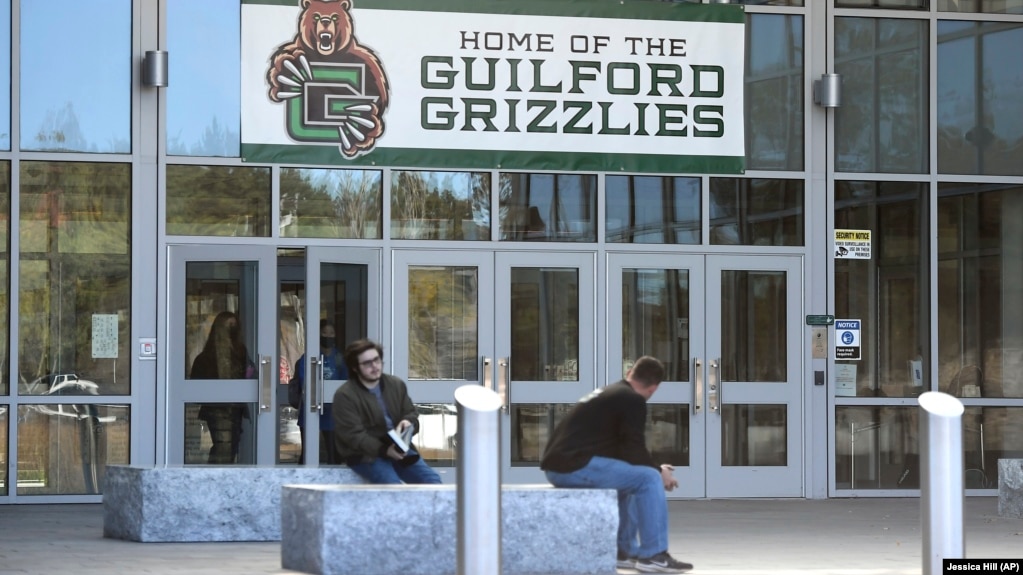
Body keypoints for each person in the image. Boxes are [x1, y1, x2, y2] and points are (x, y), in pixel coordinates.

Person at [540, 356, 693, 574]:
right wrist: (658, 471)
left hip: (561, 466)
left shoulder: (611, 392)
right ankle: (653, 555)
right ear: (653, 388)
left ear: (630, 372)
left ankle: (624, 552)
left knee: (632, 477)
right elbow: (634, 448)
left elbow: (626, 453)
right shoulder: (633, 400)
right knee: (647, 479)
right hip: (573, 467)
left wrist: (654, 467)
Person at [332, 339, 442, 484]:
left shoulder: (395, 385)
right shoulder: (345, 395)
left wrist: (407, 422)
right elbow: (353, 436)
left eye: (377, 360)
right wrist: (385, 450)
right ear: (354, 368)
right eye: (367, 363)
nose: (375, 366)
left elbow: (411, 413)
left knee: (433, 482)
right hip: (365, 455)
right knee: (393, 486)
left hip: (399, 448)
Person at [189, 311, 252, 464]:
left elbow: (249, 373)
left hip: (235, 407)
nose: (231, 329)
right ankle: (216, 478)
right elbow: (195, 386)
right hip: (217, 408)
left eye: (233, 325)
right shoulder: (205, 358)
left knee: (231, 447)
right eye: (228, 326)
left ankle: (219, 477)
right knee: (224, 447)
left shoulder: (240, 352)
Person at [291, 319, 348, 464]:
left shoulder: (339, 358)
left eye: (331, 333)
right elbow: (305, 382)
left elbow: (345, 382)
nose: (328, 336)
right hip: (310, 411)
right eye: (324, 333)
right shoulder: (308, 357)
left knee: (333, 456)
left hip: (332, 413)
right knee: (307, 456)